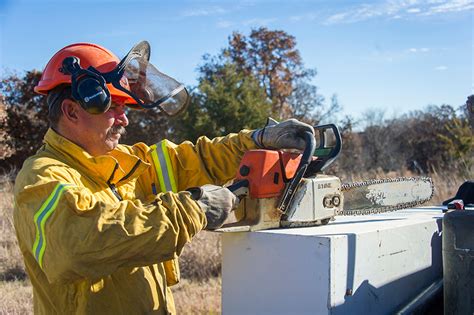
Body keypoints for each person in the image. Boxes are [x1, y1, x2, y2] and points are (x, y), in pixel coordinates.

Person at [13, 41, 314, 314]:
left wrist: (257, 141)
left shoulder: (127, 163)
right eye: (114, 107)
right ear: (72, 111)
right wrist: (193, 208)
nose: (125, 118)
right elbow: (79, 243)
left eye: (125, 107)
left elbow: (197, 159)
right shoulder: (41, 176)